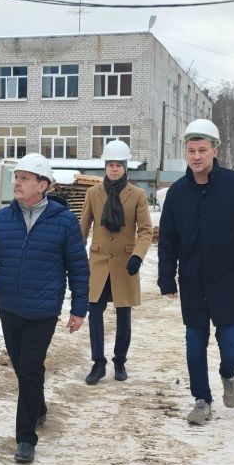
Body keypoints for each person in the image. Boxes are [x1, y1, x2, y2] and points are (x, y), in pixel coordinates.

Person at [0, 153, 89, 464]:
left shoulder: (64, 222)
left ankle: (25, 438)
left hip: (43, 310)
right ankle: (39, 406)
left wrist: (79, 308)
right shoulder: (1, 219)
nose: (17, 183)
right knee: (24, 368)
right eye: (16, 177)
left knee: (30, 368)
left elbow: (78, 268)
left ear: (42, 185)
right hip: (9, 307)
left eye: (24, 178)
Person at [158, 119, 234, 426]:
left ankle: (228, 374)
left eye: (202, 150)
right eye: (191, 150)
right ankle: (202, 400)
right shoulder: (177, 193)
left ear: (215, 150)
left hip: (230, 278)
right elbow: (168, 240)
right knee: (194, 342)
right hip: (193, 281)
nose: (196, 156)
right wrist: (166, 277)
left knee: (230, 340)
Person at [79, 139, 153, 384]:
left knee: (123, 313)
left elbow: (145, 230)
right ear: (105, 167)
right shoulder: (93, 193)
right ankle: (98, 363)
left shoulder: (137, 195)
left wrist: (137, 256)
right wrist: (74, 258)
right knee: (94, 311)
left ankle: (120, 362)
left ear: (125, 167)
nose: (114, 169)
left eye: (118, 165)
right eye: (110, 165)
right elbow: (82, 229)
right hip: (98, 262)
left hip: (125, 263)